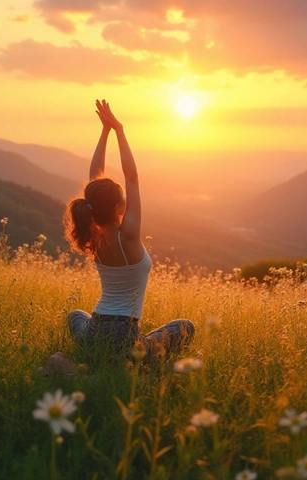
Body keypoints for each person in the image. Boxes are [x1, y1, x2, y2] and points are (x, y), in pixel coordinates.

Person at [40, 100, 195, 376]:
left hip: (94, 328)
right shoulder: (129, 236)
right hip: (123, 335)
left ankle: (82, 358)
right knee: (185, 327)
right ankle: (114, 364)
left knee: (76, 316)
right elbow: (132, 177)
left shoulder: (94, 235)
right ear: (115, 207)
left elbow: (94, 182)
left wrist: (105, 132)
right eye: (121, 196)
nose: (126, 196)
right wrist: (119, 129)